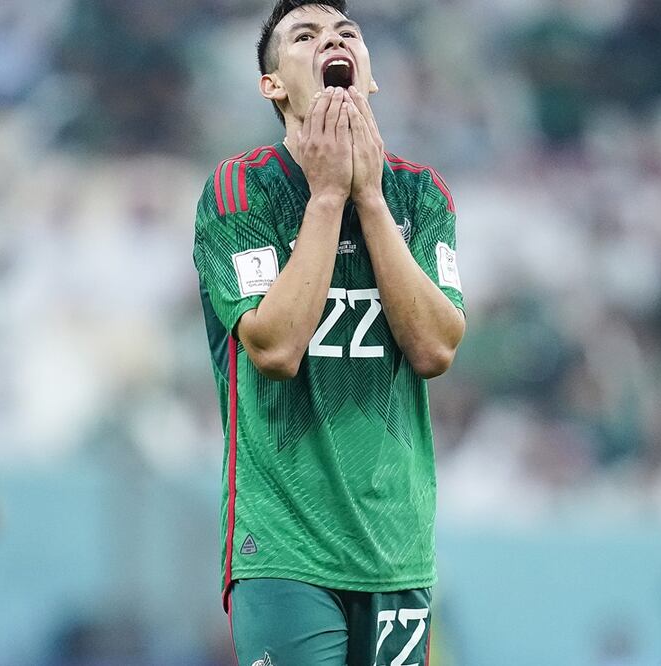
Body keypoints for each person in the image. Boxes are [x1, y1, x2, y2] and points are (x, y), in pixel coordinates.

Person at [191, 1, 465, 663]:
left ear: (366, 76)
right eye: (305, 35)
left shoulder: (419, 194)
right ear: (273, 85)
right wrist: (324, 196)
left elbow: (435, 348)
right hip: (285, 544)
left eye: (346, 33)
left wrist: (367, 197)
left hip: (394, 547)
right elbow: (276, 349)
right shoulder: (241, 189)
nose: (331, 41)